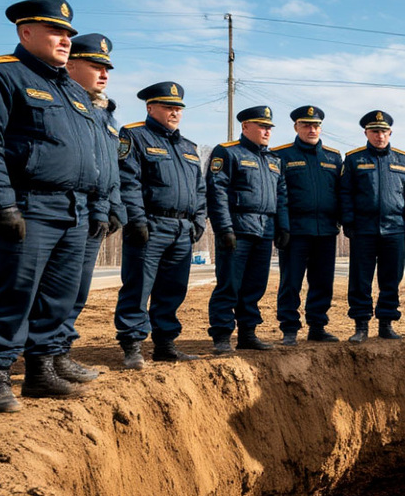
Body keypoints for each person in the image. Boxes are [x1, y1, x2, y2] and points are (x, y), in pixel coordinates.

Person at [0, 0, 102, 413]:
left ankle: (41, 371)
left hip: (74, 208)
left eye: (69, 33)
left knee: (59, 295)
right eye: (56, 31)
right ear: (25, 32)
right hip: (28, 204)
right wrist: (1, 204)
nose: (65, 39)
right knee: (14, 291)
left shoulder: (73, 90)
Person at [113, 81, 206, 368]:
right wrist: (137, 220)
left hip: (181, 229)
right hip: (150, 226)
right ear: (150, 107)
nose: (175, 112)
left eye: (178, 108)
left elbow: (199, 189)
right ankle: (132, 346)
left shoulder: (189, 148)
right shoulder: (135, 137)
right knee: (138, 286)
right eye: (168, 107)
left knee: (173, 288)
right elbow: (128, 181)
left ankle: (165, 344)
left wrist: (198, 221)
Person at [52, 32, 125, 383]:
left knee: (76, 291)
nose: (105, 73)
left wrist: (113, 207)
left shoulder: (105, 114)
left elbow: (108, 167)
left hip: (93, 213)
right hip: (59, 208)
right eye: (97, 65)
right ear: (72, 63)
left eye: (107, 67)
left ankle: (59, 353)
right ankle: (35, 360)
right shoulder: (65, 102)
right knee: (49, 291)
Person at [207, 106, 287, 353]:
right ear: (245, 126)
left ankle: (248, 333)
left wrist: (282, 226)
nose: (267, 132)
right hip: (237, 231)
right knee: (229, 284)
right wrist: (224, 228)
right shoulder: (229, 152)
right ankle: (222, 336)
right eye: (262, 126)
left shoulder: (274, 160)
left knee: (254, 286)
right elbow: (216, 191)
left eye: (269, 128)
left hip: (264, 231)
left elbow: (281, 195)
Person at [340, 110, 405, 342]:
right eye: (374, 131)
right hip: (363, 230)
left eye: (383, 131)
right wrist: (348, 221)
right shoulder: (354, 159)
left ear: (390, 133)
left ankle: (386, 323)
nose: (379, 135)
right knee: (360, 280)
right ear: (366, 133)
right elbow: (345, 193)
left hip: (395, 229)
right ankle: (361, 325)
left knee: (391, 279)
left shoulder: (403, 160)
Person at [272, 105, 342, 344]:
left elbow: (340, 193)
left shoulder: (333, 157)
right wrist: (281, 226)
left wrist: (342, 221)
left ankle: (317, 326)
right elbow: (278, 195)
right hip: (295, 231)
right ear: (296, 127)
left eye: (316, 125)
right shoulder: (281, 155)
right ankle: (289, 328)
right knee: (291, 282)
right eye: (307, 125)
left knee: (322, 282)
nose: (312, 130)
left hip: (326, 231)